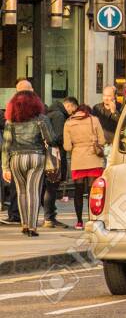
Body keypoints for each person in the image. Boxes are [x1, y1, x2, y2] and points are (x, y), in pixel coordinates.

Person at [2, 88, 54, 237]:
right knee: (34, 192)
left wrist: (5, 167)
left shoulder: (10, 121)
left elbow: (6, 145)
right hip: (36, 157)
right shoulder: (41, 119)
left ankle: (24, 224)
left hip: (16, 159)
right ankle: (32, 226)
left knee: (21, 192)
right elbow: (50, 139)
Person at [61, 100, 105, 230]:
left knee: (78, 192)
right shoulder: (94, 120)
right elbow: (102, 140)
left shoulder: (68, 123)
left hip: (78, 160)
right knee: (94, 192)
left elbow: (67, 147)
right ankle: (93, 218)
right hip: (94, 160)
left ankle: (79, 221)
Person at [41, 91, 69, 229]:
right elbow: (58, 137)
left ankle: (49, 216)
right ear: (69, 106)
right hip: (55, 156)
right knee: (51, 186)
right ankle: (49, 217)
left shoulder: (49, 114)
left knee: (47, 186)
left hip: (46, 155)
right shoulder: (59, 116)